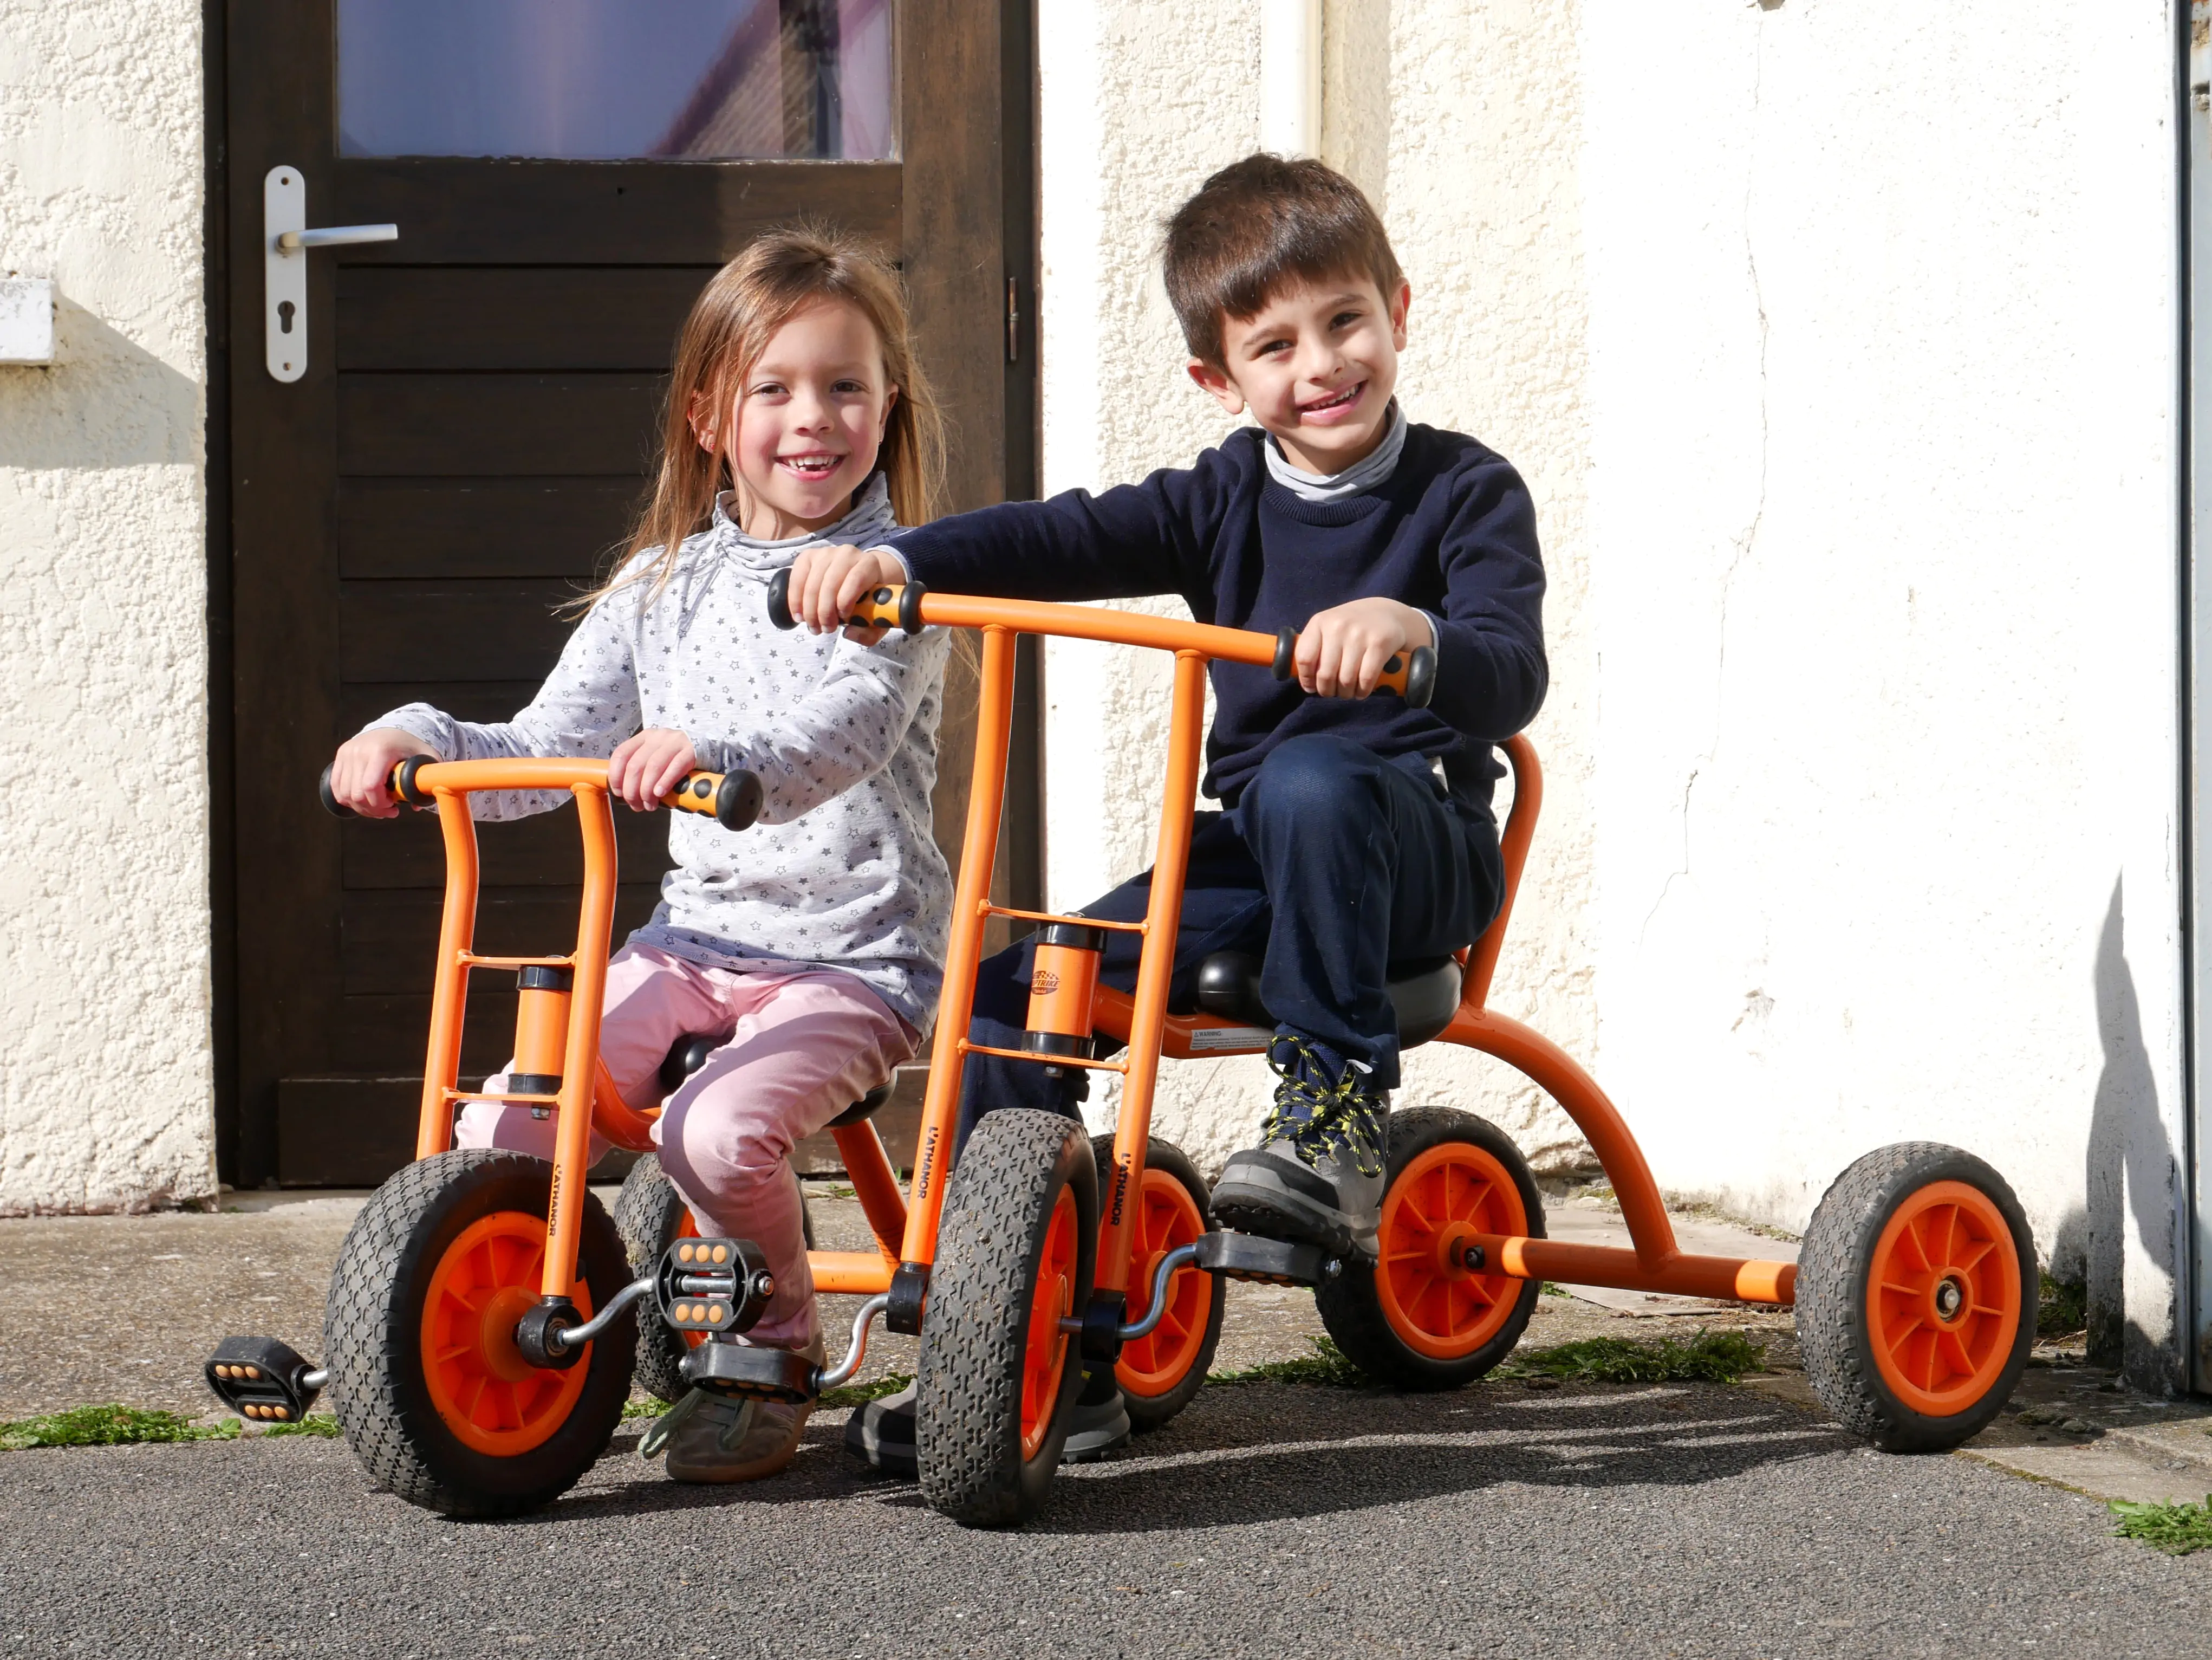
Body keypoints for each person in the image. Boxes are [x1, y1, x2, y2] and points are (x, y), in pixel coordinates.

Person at [791, 154, 1547, 1450]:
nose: (1320, 364)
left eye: (1344, 321)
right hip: (1266, 848)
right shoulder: (1221, 497)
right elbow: (1055, 537)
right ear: (1220, 379)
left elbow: (1509, 668)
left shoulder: (1465, 491)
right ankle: (1003, 1332)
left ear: (1399, 309)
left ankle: (1330, 1112)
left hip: (1417, 848)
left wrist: (1413, 630)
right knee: (1014, 981)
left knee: (1313, 774)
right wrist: (892, 556)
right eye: (1274, 345)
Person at [327, 226, 952, 1486]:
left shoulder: (894, 585)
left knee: (713, 1135)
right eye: (773, 389)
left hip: (854, 955)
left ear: (889, 409)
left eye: (844, 386)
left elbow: (839, 733)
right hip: (693, 943)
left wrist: (716, 750)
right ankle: (512, 1320)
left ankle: (772, 1343)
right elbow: (540, 746)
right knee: (509, 1113)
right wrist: (416, 733)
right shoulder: (658, 588)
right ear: (711, 414)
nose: (811, 418)